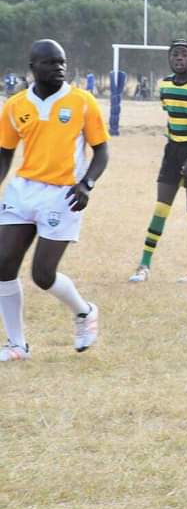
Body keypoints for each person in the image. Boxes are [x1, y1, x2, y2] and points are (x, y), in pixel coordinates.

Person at [0, 40, 109, 361]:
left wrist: (86, 184)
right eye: (50, 63)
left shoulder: (82, 102)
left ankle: (84, 312)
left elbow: (102, 150)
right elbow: (4, 153)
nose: (58, 68)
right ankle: (17, 345)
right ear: (33, 67)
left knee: (43, 275)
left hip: (62, 194)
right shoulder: (15, 105)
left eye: (62, 62)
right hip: (22, 190)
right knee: (3, 264)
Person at [128, 40, 187, 284]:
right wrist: (173, 145)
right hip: (174, 151)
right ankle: (144, 266)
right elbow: (172, 117)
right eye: (175, 55)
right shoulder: (166, 85)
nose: (179, 58)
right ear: (169, 59)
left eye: (184, 54)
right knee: (161, 208)